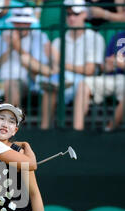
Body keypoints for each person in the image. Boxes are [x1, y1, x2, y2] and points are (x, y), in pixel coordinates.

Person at [39, 0, 105, 130]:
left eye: (76, 14)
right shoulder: (58, 40)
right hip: (61, 80)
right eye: (68, 14)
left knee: (80, 86)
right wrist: (54, 61)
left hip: (84, 82)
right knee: (51, 86)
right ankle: (44, 129)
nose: (71, 18)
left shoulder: (95, 37)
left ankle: (77, 132)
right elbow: (55, 68)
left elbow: (90, 70)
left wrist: (61, 64)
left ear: (85, 14)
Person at [0, 7, 58, 106]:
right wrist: (10, 48)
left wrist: (17, 47)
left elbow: (37, 67)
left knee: (11, 84)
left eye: (25, 23)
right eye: (18, 22)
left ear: (30, 24)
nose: (21, 26)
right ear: (13, 23)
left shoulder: (39, 37)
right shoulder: (2, 37)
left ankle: (14, 120)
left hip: (25, 81)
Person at [73, 30, 125, 131]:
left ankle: (109, 129)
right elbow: (104, 65)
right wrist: (107, 66)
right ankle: (77, 131)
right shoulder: (118, 36)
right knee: (84, 84)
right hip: (111, 77)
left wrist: (121, 64)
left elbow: (119, 63)